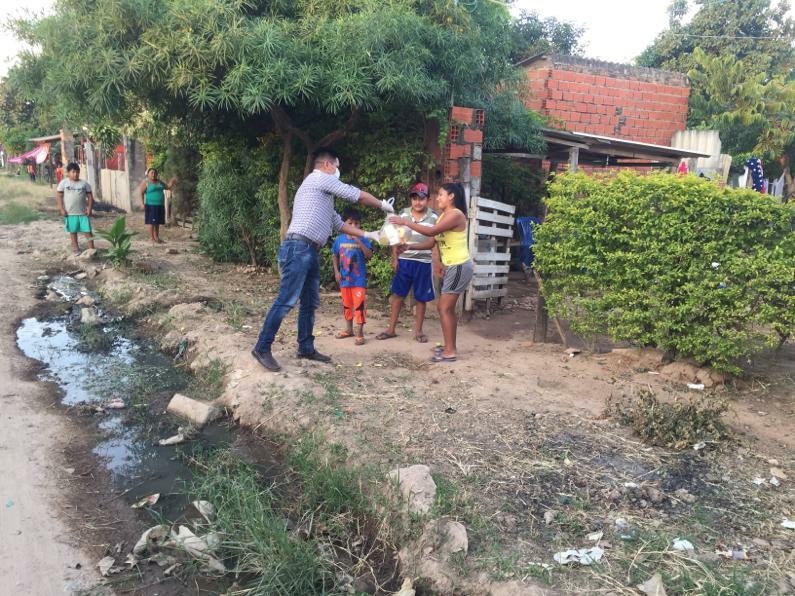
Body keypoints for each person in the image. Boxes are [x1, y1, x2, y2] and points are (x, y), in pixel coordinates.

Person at [251, 147, 393, 372]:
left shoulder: (321, 195)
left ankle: (305, 347)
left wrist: (368, 235)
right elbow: (354, 194)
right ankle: (262, 347)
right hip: (298, 248)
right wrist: (382, 204)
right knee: (286, 300)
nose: (338, 171)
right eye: (336, 166)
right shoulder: (318, 179)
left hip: (309, 250)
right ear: (327, 165)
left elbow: (338, 223)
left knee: (309, 303)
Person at [389, 182, 472, 363]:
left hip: (459, 266)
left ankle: (450, 351)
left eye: (441, 194)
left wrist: (405, 221)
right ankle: (450, 346)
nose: (438, 198)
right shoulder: (444, 216)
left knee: (444, 308)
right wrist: (410, 246)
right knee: (447, 309)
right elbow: (433, 241)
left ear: (451, 196)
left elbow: (431, 230)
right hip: (452, 266)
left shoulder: (456, 215)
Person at [376, 182, 438, 343]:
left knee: (421, 299)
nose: (418, 202)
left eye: (422, 199)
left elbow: (432, 243)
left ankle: (418, 331)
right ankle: (391, 329)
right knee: (398, 296)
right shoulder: (402, 215)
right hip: (404, 262)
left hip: (423, 263)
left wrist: (411, 245)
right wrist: (395, 258)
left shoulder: (434, 217)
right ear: (411, 199)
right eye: (415, 198)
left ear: (428, 200)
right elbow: (394, 239)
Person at [331, 207, 374, 346]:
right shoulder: (339, 239)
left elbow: (369, 255)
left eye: (356, 223)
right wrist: (337, 272)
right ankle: (349, 329)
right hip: (344, 279)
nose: (353, 226)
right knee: (347, 305)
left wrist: (359, 242)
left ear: (360, 224)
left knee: (359, 305)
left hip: (358, 280)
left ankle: (359, 331)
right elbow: (334, 254)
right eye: (350, 223)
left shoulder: (363, 238)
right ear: (344, 224)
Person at [56, 163, 96, 256]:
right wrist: (61, 209)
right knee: (73, 231)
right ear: (68, 173)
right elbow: (59, 195)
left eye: (77, 172)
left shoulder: (84, 184)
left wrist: (89, 208)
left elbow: (90, 196)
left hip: (83, 213)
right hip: (70, 213)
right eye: (73, 172)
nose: (75, 174)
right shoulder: (64, 183)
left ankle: (92, 249)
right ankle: (76, 248)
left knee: (87, 231)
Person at [139, 168, 176, 243]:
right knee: (152, 222)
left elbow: (168, 187)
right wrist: (142, 203)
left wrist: (172, 182)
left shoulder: (160, 182)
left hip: (160, 205)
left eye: (155, 173)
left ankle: (157, 237)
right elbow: (141, 193)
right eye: (152, 173)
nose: (154, 174)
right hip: (151, 205)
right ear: (148, 174)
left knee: (157, 222)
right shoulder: (146, 183)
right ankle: (152, 238)